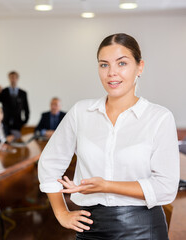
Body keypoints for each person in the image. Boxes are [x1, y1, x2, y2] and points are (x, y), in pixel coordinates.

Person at [38, 33, 179, 239]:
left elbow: (166, 188)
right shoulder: (81, 112)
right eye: (104, 65)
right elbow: (49, 164)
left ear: (140, 67)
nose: (112, 73)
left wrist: (106, 185)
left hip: (144, 228)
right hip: (90, 227)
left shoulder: (159, 117)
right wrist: (61, 213)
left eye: (122, 63)